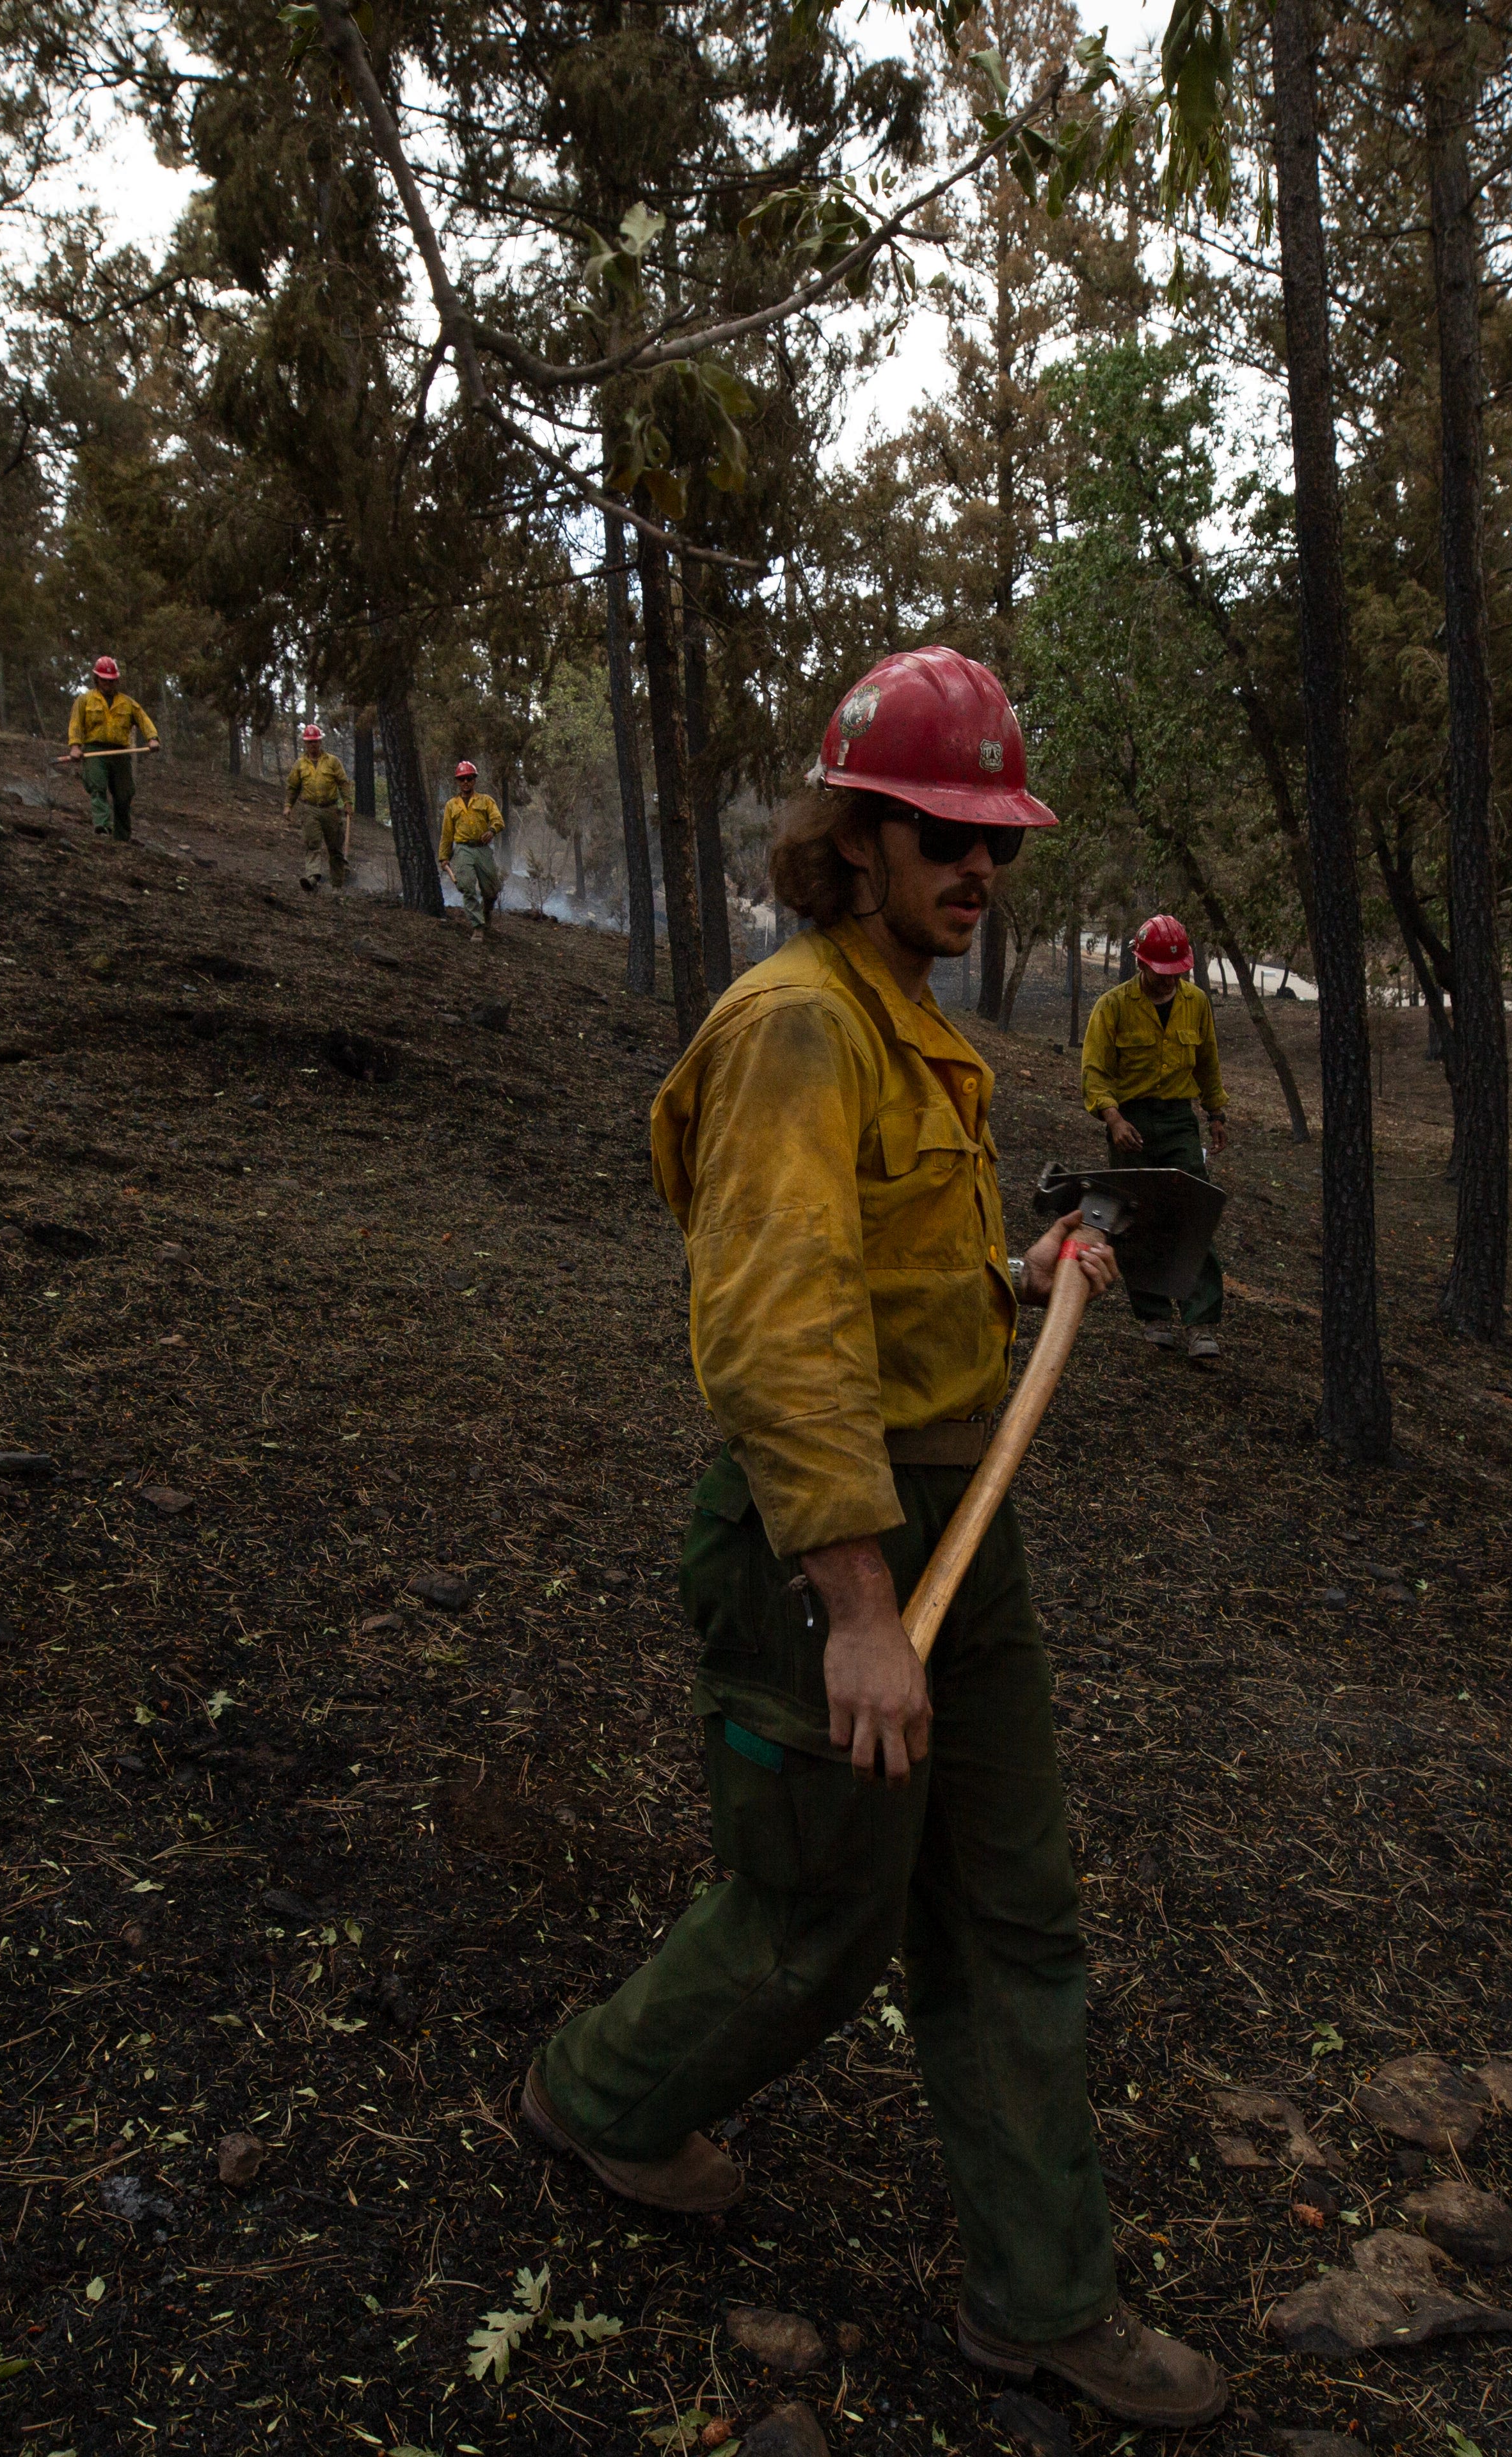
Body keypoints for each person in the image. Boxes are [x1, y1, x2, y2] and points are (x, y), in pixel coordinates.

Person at [516, 645, 1230, 2435]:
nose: (976, 869)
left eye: (996, 841)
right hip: (818, 1550)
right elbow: (773, 1332)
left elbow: (885, 1289)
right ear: (852, 837)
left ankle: (1044, 2297)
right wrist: (855, 1609)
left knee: (1009, 1910)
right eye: (939, 834)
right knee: (820, 1921)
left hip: (953, 1529)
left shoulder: (912, 1025)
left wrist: (1022, 1277)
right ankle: (603, 2099)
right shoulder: (797, 1031)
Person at [1078, 914, 1231, 1360]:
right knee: (1135, 1218)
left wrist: (1216, 1113)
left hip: (1180, 1121)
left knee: (1194, 1212)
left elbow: (1207, 1062)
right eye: (1159, 974)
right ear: (1140, 964)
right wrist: (1113, 1119)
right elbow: (1094, 1072)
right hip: (1132, 1124)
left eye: (1176, 974)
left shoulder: (1196, 1003)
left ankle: (1200, 1323)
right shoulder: (1113, 1007)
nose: (1168, 983)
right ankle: (1154, 1317)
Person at [58, 655, 157, 838]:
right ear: (97, 679)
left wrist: (152, 738)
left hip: (120, 752)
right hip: (95, 751)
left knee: (124, 794)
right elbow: (76, 724)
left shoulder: (127, 703)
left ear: (117, 680)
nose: (108, 684)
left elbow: (144, 720)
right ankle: (103, 827)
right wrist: (75, 747)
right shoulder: (85, 700)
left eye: (111, 681)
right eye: (104, 680)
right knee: (97, 787)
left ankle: (122, 838)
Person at [440, 758, 505, 935]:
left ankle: (487, 911)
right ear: (458, 782)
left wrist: (492, 831)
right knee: (467, 888)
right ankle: (478, 927)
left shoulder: (486, 801)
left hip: (483, 849)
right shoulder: (451, 805)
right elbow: (447, 833)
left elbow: (498, 820)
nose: (466, 782)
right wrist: (444, 857)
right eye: (462, 779)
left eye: (469, 778)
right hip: (463, 849)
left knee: (491, 890)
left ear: (475, 780)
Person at [284, 721, 351, 889]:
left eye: (315, 741)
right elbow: (293, 787)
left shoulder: (332, 762)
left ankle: (337, 885)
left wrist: (348, 803)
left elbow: (343, 783)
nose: (312, 745)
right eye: (309, 742)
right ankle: (313, 877)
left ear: (320, 742)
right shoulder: (300, 764)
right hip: (310, 809)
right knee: (312, 844)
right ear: (305, 744)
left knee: (335, 849)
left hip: (331, 810)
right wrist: (288, 805)